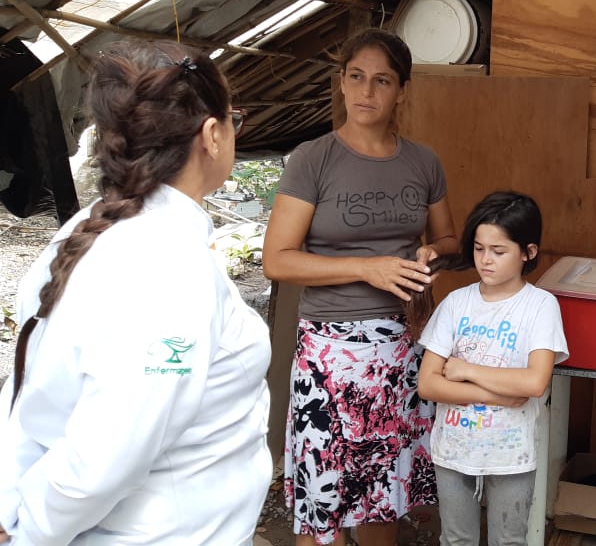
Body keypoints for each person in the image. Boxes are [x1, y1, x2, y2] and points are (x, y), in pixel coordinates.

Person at [0, 41, 271, 544]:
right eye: (234, 119)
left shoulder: (88, 230)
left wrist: (11, 502)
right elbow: (102, 463)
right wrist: (30, 532)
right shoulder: (169, 271)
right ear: (213, 134)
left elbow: (26, 389)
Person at [263, 28, 459, 546]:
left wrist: (432, 255)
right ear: (341, 82)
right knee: (322, 497)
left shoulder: (422, 161)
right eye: (356, 77)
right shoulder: (314, 158)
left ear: (402, 91)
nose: (366, 91)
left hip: (402, 345)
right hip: (329, 350)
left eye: (382, 80)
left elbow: (449, 239)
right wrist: (366, 269)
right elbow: (277, 259)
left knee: (381, 493)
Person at [416, 191, 568, 546]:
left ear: (528, 252)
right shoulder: (456, 303)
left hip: (511, 455)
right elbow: (428, 384)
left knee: (509, 541)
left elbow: (534, 382)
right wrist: (499, 395)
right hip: (453, 450)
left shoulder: (541, 306)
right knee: (456, 539)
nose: (486, 260)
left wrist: (466, 369)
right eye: (479, 248)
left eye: (499, 251)